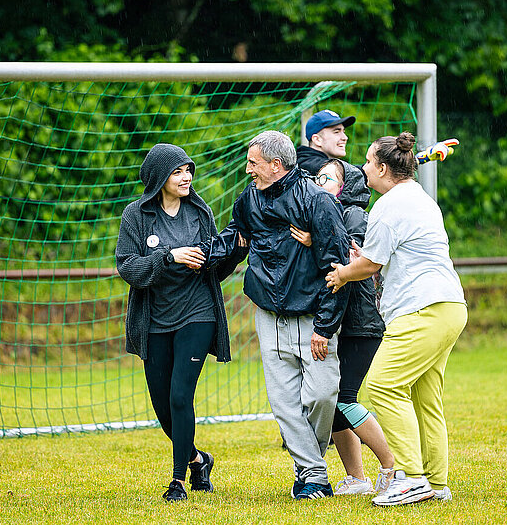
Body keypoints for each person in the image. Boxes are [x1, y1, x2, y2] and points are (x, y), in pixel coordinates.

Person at [326, 132, 467, 507]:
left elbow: (370, 264)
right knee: (426, 398)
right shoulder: (419, 198)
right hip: (450, 305)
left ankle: (412, 477)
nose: (364, 168)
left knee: (383, 387)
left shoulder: (388, 206)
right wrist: (363, 262)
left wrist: (342, 273)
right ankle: (435, 482)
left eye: (369, 162)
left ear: (384, 168)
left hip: (422, 309)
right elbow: (381, 260)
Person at [115, 143, 246, 503]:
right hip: (154, 319)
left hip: (197, 314)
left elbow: (214, 270)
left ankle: (177, 481)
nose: (186, 176)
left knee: (179, 396)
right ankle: (198, 460)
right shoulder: (136, 216)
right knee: (162, 407)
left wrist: (234, 251)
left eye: (188, 169)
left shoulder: (200, 213)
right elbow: (128, 267)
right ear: (160, 177)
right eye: (178, 171)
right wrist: (168, 257)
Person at [231, 130, 350, 501]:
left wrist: (325, 327)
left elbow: (337, 267)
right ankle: (313, 476)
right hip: (268, 315)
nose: (248, 170)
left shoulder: (317, 201)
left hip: (313, 317)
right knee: (284, 402)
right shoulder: (248, 199)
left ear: (275, 165)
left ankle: (307, 464)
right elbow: (236, 238)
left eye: (253, 163)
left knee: (321, 395)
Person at [290, 159, 395, 496]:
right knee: (332, 403)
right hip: (341, 325)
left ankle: (393, 467)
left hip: (362, 325)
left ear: (345, 186)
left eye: (328, 177)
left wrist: (316, 240)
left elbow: (357, 260)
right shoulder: (321, 213)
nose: (318, 181)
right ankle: (357, 478)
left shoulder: (354, 215)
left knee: (345, 399)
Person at [296, 109, 356, 176]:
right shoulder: (307, 166)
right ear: (317, 140)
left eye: (343, 132)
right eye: (336, 132)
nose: (345, 138)